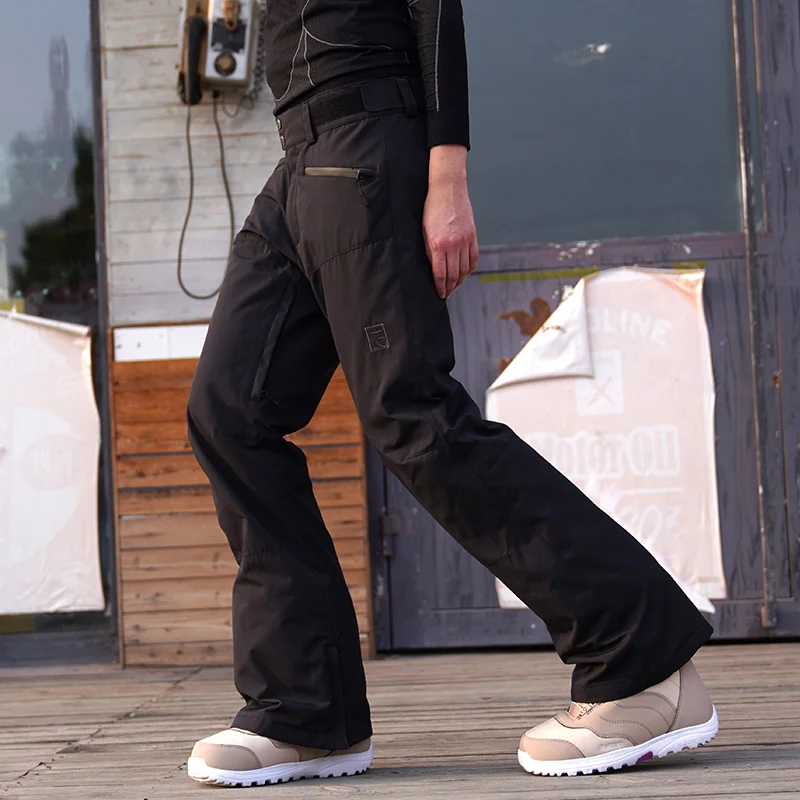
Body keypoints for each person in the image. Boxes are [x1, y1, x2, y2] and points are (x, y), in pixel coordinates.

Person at [185, 0, 718, 787]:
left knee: (413, 415)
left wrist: (447, 175)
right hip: (298, 159)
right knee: (229, 415)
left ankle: (643, 662)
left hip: (370, 140)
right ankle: (306, 711)